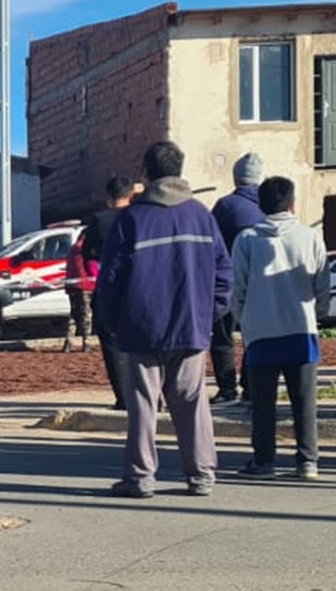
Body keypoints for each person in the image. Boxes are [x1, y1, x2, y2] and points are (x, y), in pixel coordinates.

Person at [96, 140, 230, 498]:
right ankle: (201, 475)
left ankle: (140, 478)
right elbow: (224, 273)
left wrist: (110, 322)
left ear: (146, 173)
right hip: (191, 326)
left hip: (142, 328)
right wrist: (209, 314)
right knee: (192, 402)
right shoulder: (201, 216)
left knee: (143, 403)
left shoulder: (132, 220)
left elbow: (110, 279)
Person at [230, 176, 328, 481]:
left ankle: (264, 460)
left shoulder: (246, 239)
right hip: (301, 327)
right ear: (292, 202)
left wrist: (243, 319)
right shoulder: (310, 236)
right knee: (304, 400)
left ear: (260, 205)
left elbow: (239, 288)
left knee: (263, 403)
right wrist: (318, 313)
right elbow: (322, 282)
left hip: (261, 330)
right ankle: (307, 460)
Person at [209, 153, 264, 404]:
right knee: (254, 335)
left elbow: (211, 243)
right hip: (260, 282)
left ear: (235, 177)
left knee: (222, 336)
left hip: (228, 281)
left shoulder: (225, 206)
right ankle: (252, 387)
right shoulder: (268, 204)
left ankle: (227, 388)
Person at [82, 176, 135, 409]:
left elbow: (87, 253)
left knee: (112, 344)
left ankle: (123, 397)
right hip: (137, 285)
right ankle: (153, 394)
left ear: (108, 197)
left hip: (108, 285)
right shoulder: (139, 216)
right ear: (131, 194)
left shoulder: (98, 220)